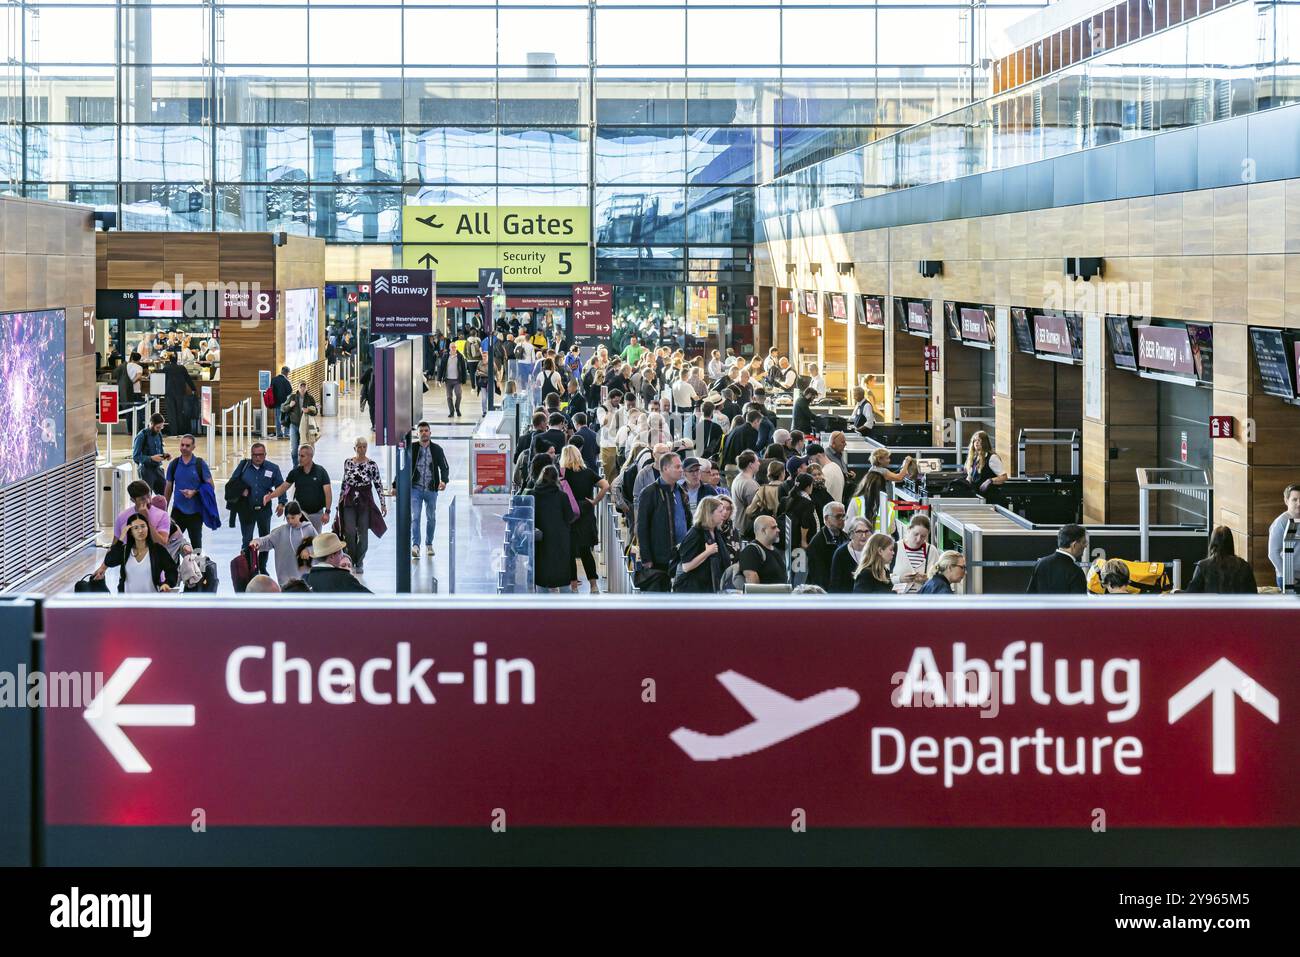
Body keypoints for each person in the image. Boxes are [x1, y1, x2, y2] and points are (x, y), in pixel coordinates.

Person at [636, 452, 690, 592]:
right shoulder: (649, 493)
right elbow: (642, 527)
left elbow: (687, 520)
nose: (681, 470)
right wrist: (646, 557)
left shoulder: (681, 491)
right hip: (659, 557)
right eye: (677, 467)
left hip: (681, 555)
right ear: (665, 469)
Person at [231, 442, 286, 575]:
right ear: (251, 455)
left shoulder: (273, 468)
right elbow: (232, 483)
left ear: (265, 455)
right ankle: (248, 568)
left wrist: (282, 502)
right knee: (247, 540)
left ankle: (262, 566)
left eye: (260, 455)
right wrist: (241, 490)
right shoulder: (243, 467)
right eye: (255, 455)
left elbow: (281, 486)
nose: (257, 458)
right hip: (246, 510)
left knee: (265, 539)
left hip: (264, 511)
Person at [559, 445, 606, 593]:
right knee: (586, 552)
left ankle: (573, 586)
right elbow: (606, 485)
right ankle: (593, 585)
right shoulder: (588, 473)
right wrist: (595, 501)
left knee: (570, 552)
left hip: (569, 515)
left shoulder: (563, 474)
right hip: (586, 513)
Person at [339, 436, 387, 573]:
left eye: (364, 446)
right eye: (359, 447)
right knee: (349, 531)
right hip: (349, 500)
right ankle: (351, 558)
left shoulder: (371, 464)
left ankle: (359, 561)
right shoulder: (348, 462)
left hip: (365, 500)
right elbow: (344, 482)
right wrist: (340, 500)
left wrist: (383, 503)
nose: (361, 449)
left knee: (363, 533)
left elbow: (378, 484)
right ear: (354, 449)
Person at [103, 513, 178, 594]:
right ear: (130, 531)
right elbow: (109, 561)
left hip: (152, 601)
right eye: (135, 528)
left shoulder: (157, 550)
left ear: (148, 528)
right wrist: (120, 539)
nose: (140, 530)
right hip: (127, 603)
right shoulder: (124, 550)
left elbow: (172, 570)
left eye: (143, 526)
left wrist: (167, 583)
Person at [163, 433, 214, 551]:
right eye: (182, 445)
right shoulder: (174, 464)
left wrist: (194, 492)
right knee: (172, 542)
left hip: (195, 512)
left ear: (193, 447)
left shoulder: (200, 464)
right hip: (178, 511)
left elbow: (211, 486)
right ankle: (173, 568)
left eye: (187, 445)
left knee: (196, 543)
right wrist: (164, 508)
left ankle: (197, 566)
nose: (184, 448)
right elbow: (169, 486)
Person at [526, 465, 573, 593]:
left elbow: (527, 516)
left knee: (542, 576)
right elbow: (570, 516)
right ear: (556, 478)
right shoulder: (562, 496)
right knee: (562, 576)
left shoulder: (532, 494)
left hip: (540, 539)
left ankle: (543, 609)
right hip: (560, 539)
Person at [673, 495, 733, 593]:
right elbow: (686, 566)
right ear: (709, 514)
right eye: (720, 511)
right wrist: (707, 552)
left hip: (709, 587)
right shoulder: (695, 533)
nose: (724, 514)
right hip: (692, 590)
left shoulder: (716, 532)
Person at [268, 444, 332, 533]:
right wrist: (270, 496)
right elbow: (283, 487)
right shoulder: (295, 472)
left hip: (316, 513)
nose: (299, 458)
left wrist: (327, 512)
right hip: (300, 513)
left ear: (310, 456)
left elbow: (328, 493)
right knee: (300, 540)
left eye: (302, 456)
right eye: (299, 455)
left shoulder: (321, 471)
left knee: (315, 541)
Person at [249, 502, 315, 587]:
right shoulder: (281, 532)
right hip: (285, 582)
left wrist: (309, 550)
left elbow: (318, 545)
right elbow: (268, 540)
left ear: (300, 515)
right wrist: (257, 542)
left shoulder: (309, 529)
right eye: (287, 518)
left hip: (306, 581)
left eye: (293, 517)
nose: (290, 521)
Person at [409, 421, 449, 557]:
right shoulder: (412, 448)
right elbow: (404, 467)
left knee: (431, 517)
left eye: (426, 430)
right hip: (415, 489)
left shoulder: (437, 449)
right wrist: (395, 485)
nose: (424, 433)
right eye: (421, 431)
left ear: (430, 433)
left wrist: (443, 481)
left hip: (431, 489)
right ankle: (415, 545)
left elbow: (444, 467)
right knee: (415, 517)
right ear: (417, 434)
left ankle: (429, 544)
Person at [1186, 525, 1257, 594]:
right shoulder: (1244, 566)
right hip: (1238, 605)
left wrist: (1177, 591)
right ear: (1231, 543)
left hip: (1211, 605)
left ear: (1212, 544)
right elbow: (1253, 595)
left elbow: (1190, 595)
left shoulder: (1202, 566)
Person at [1026, 523, 1089, 594]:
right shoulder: (1076, 572)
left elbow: (1030, 596)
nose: (1085, 546)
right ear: (1074, 545)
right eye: (1083, 542)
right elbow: (1080, 603)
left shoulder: (1040, 564)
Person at [303, 531, 371, 593]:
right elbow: (372, 599)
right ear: (332, 556)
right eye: (341, 552)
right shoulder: (344, 578)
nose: (342, 556)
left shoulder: (305, 579)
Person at [891, 514, 938, 594]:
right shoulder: (894, 548)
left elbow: (939, 579)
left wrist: (927, 579)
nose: (919, 539)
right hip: (898, 602)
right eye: (915, 534)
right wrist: (899, 579)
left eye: (923, 536)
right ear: (908, 529)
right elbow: (881, 578)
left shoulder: (931, 551)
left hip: (922, 602)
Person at [805, 501, 847, 591]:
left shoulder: (845, 537)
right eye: (838, 516)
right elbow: (818, 577)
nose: (842, 519)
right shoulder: (817, 544)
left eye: (844, 516)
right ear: (827, 518)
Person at [1267, 483, 1300, 590]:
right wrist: (1288, 576)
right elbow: (1273, 554)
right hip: (1290, 578)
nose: (1299, 503)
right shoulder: (1281, 522)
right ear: (1286, 501)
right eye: (1294, 500)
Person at [739, 514, 787, 587]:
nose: (778, 530)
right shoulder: (751, 551)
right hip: (764, 597)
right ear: (763, 530)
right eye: (774, 527)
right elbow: (752, 586)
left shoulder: (774, 550)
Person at [828, 517, 872, 592]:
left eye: (866, 531)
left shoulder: (874, 551)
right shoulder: (841, 553)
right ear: (851, 534)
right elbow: (835, 585)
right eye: (859, 532)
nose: (864, 535)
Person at [779, 472, 819, 552]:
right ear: (808, 486)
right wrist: (803, 541)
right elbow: (805, 523)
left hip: (786, 539)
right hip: (800, 542)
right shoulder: (807, 502)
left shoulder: (785, 500)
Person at [131, 412, 169, 495]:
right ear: (151, 424)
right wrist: (151, 458)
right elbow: (135, 457)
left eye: (161, 427)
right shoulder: (142, 436)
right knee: (146, 496)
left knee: (164, 494)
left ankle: (162, 508)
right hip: (146, 470)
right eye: (158, 427)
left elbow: (160, 451)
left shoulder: (159, 434)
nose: (159, 429)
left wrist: (165, 455)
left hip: (158, 469)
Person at [161, 351, 197, 436]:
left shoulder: (166, 368)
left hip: (169, 393)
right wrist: (193, 389)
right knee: (179, 412)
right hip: (180, 392)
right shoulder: (182, 368)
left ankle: (173, 432)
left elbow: (162, 380)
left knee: (171, 412)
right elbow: (188, 379)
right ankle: (181, 431)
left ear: (169, 360)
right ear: (177, 360)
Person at [282, 380, 318, 463]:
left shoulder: (310, 398)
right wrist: (290, 406)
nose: (302, 388)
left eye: (304, 386)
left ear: (306, 388)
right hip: (294, 425)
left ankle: (307, 464)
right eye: (301, 386)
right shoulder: (292, 397)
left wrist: (308, 410)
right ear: (298, 388)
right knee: (294, 448)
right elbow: (283, 408)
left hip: (306, 427)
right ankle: (295, 467)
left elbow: (315, 411)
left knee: (308, 447)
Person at [965, 430, 1008, 495]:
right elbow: (971, 477)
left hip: (991, 497)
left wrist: (990, 480)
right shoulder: (974, 459)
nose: (976, 442)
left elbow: (1004, 477)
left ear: (984, 442)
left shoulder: (992, 458)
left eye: (979, 440)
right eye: (974, 440)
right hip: (978, 496)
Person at [730, 450, 761, 515]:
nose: (759, 463)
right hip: (745, 524)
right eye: (757, 461)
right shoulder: (749, 484)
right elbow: (755, 509)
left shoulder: (738, 478)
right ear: (750, 464)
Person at [441, 344, 468, 417]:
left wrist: (464, 380)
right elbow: (441, 368)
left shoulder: (460, 356)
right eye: (452, 347)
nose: (453, 348)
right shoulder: (445, 356)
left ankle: (457, 408)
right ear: (449, 348)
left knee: (459, 395)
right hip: (448, 380)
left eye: (455, 347)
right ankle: (451, 411)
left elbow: (463, 368)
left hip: (457, 380)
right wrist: (438, 379)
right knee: (449, 397)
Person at [269, 367, 293, 439]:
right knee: (286, 417)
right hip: (285, 403)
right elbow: (290, 391)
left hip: (276, 402)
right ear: (287, 373)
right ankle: (286, 433)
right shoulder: (286, 381)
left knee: (277, 418)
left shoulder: (274, 379)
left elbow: (271, 390)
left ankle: (279, 433)